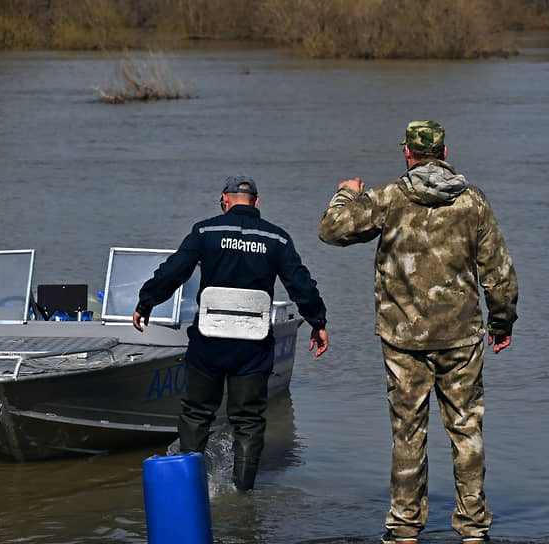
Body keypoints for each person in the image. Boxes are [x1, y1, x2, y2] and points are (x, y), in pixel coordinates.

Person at [318, 121, 518, 544]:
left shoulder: (389, 198)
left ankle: (405, 528)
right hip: (462, 338)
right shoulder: (473, 202)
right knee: (466, 430)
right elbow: (498, 273)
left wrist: (347, 192)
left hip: (403, 340)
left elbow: (331, 229)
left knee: (408, 432)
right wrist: (502, 323)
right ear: (444, 152)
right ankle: (473, 528)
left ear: (407, 154)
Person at [133, 175, 329, 491]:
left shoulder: (205, 231)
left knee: (197, 414)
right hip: (252, 346)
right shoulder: (276, 239)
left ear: (225, 200)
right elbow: (301, 284)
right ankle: (244, 493)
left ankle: (189, 491)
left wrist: (146, 302)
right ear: (256, 201)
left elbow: (173, 271)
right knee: (248, 421)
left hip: (210, 343)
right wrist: (318, 322)